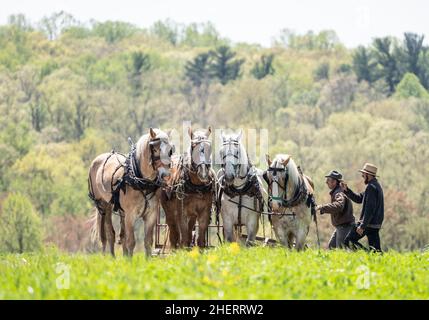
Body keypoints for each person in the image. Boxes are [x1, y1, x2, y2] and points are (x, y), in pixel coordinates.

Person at [341, 163, 384, 252]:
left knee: (348, 241)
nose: (362, 176)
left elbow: (370, 209)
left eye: (363, 174)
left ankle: (366, 255)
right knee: (376, 251)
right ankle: (375, 259)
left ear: (368, 175)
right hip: (375, 224)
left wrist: (362, 226)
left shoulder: (371, 188)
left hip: (368, 224)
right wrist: (347, 190)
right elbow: (359, 199)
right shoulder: (375, 186)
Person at [315, 170, 355, 249]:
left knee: (341, 251)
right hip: (342, 226)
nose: (326, 182)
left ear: (334, 182)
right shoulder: (338, 191)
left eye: (328, 180)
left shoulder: (338, 193)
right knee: (332, 247)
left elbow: (339, 206)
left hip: (344, 227)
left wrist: (322, 207)